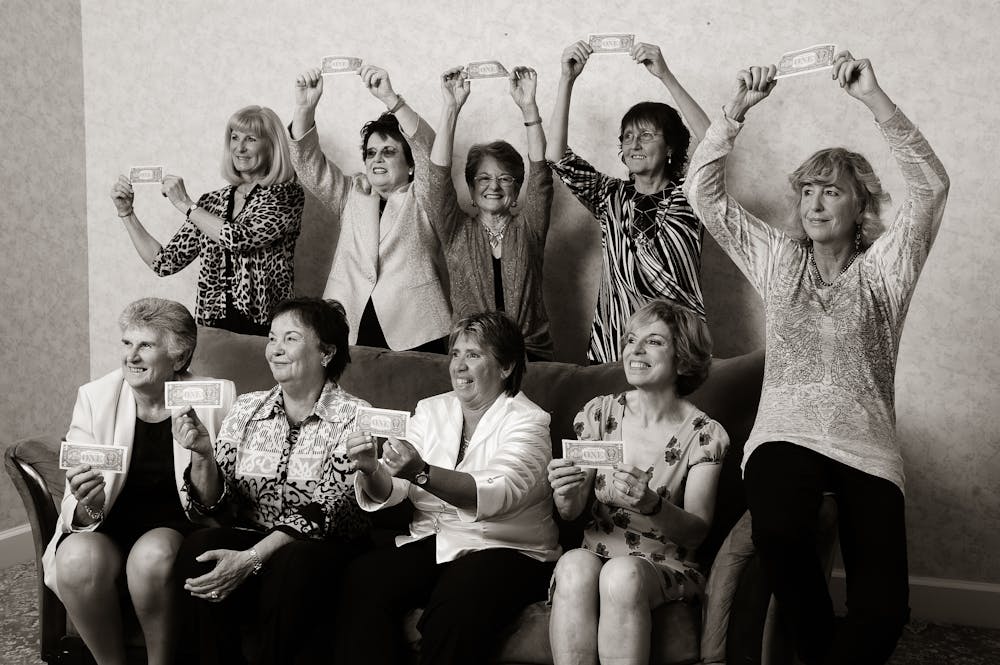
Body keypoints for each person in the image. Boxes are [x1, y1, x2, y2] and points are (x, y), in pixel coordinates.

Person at [682, 53, 949, 665]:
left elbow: (931, 186)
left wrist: (873, 98)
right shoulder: (779, 260)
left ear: (863, 206)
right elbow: (703, 193)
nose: (815, 203)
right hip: (786, 434)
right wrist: (735, 112)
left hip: (867, 445)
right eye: (806, 190)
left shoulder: (887, 269)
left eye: (832, 191)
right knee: (777, 528)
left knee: (885, 611)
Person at [340, 311, 560, 664]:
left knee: (458, 598)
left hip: (507, 547)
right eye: (455, 354)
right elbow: (391, 487)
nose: (459, 365)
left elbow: (497, 493)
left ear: (505, 367)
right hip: (436, 541)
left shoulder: (530, 421)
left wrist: (421, 472)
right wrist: (369, 470)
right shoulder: (430, 411)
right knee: (365, 579)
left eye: (473, 355)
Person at [173, 297, 373, 665]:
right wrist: (202, 454)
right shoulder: (247, 409)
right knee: (199, 547)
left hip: (324, 548)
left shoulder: (356, 416)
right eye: (271, 338)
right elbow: (216, 504)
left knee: (294, 562)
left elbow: (330, 508)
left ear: (326, 353)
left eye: (290, 339)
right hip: (254, 535)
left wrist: (250, 559)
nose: (275, 349)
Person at [41, 298, 235, 665]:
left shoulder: (217, 399)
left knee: (151, 554)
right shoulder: (95, 397)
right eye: (127, 343)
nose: (131, 356)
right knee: (75, 559)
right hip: (108, 523)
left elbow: (219, 504)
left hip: (176, 526)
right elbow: (78, 509)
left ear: (178, 358)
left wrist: (202, 455)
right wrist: (87, 499)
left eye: (145, 345)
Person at [546, 299, 729, 664]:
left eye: (654, 341)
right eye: (631, 339)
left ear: (682, 356)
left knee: (621, 574)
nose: (636, 350)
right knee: (573, 565)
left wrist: (652, 505)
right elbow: (571, 513)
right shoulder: (599, 413)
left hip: (664, 564)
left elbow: (696, 533)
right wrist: (564, 492)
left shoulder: (704, 434)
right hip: (596, 550)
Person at [546, 41, 710, 364]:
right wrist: (567, 80)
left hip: (678, 352)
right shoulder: (610, 195)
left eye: (646, 135)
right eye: (627, 136)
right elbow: (555, 156)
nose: (634, 143)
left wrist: (665, 75)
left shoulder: (690, 195)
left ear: (670, 148)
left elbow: (712, 141)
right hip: (614, 350)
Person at [290, 65, 453, 352]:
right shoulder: (353, 192)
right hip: (348, 326)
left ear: (411, 165)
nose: (377, 159)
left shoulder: (426, 195)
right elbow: (308, 165)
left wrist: (393, 100)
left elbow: (429, 152)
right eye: (371, 153)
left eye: (389, 151)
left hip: (415, 330)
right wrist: (305, 108)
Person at [111, 106, 304, 336]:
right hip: (212, 331)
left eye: (251, 139)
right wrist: (127, 213)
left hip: (267, 332)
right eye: (234, 138)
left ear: (272, 146)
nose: (239, 148)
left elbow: (239, 238)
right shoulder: (212, 202)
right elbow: (164, 262)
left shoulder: (286, 195)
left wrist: (185, 204)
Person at [419, 64, 555, 360]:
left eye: (505, 178)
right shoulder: (456, 231)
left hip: (531, 357)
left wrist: (529, 108)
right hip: (472, 359)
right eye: (484, 178)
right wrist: (451, 108)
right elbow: (437, 179)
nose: (494, 186)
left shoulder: (529, 226)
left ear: (517, 189)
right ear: (470, 186)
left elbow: (541, 172)